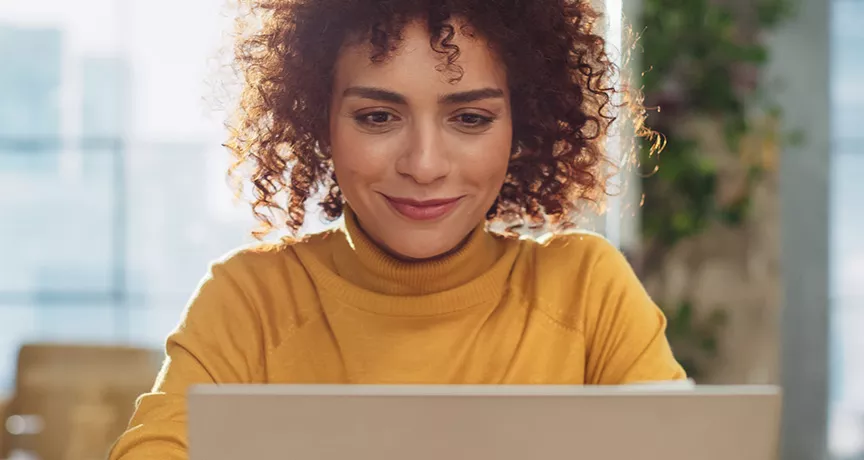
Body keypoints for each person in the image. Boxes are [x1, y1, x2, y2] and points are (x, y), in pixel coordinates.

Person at [110, 0, 685, 458]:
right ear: (320, 121)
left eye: (470, 118)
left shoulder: (585, 291)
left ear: (522, 124)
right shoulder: (250, 300)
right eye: (378, 117)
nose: (425, 164)